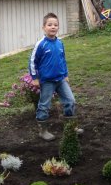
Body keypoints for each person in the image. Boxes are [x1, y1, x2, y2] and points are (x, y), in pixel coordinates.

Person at [28, 12, 79, 141]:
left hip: (61, 80)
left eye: (55, 25)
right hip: (47, 81)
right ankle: (43, 130)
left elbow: (63, 59)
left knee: (70, 101)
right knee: (44, 105)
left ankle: (70, 127)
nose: (53, 27)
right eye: (49, 25)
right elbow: (32, 61)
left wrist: (65, 74)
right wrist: (34, 78)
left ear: (58, 27)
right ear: (43, 27)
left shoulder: (60, 43)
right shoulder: (41, 44)